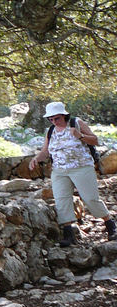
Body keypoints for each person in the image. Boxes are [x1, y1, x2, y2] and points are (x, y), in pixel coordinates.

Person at [29, 101, 117, 247]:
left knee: (90, 199)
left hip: (82, 167)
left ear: (64, 115)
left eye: (56, 118)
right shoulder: (50, 131)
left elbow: (95, 140)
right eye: (50, 119)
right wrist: (36, 159)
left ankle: (110, 225)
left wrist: (80, 136)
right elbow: (45, 151)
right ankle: (69, 234)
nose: (54, 121)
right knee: (61, 199)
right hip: (59, 170)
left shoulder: (76, 123)